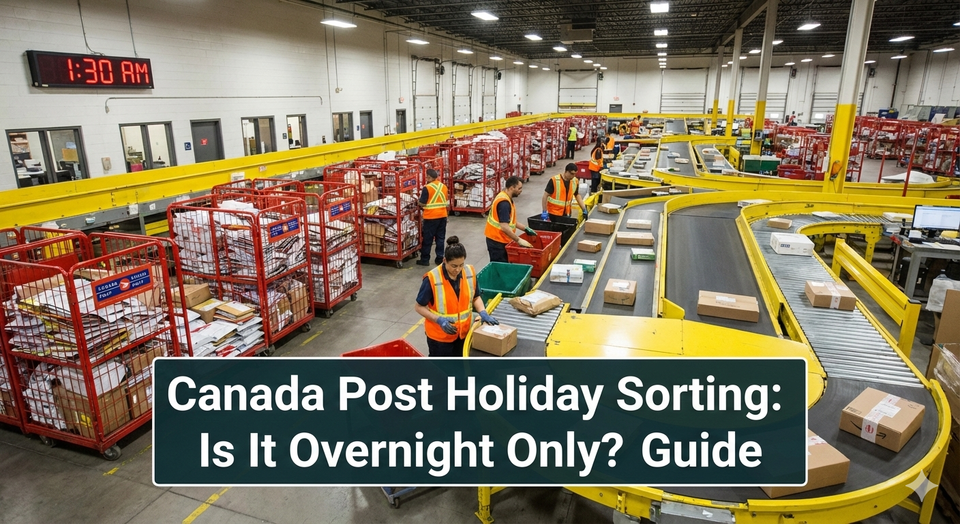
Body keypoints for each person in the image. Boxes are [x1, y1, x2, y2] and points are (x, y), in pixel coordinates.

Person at [415, 236, 499, 357]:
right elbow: (419, 307)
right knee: (441, 370)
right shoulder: (432, 278)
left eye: (461, 265)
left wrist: (483, 312)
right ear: (444, 261)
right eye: (454, 266)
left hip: (462, 334)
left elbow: (476, 297)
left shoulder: (469, 272)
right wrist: (439, 320)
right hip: (440, 338)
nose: (458, 269)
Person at [485, 176, 535, 263]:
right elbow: (504, 226)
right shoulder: (504, 203)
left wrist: (525, 228)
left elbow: (510, 221)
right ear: (512, 188)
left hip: (499, 239)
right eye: (519, 188)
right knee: (500, 267)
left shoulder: (505, 196)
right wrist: (518, 240)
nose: (521, 190)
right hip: (497, 241)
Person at [417, 168, 450, 266]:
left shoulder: (427, 188)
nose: (426, 178)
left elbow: (422, 203)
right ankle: (439, 258)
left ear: (429, 177)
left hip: (430, 217)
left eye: (427, 176)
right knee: (440, 238)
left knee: (428, 239)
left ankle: (425, 259)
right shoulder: (443, 186)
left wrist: (418, 202)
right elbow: (445, 201)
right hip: (442, 216)